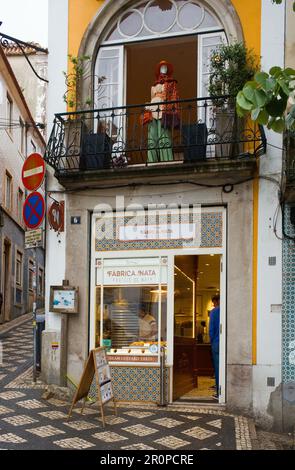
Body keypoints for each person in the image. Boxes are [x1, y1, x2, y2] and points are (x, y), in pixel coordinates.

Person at [143, 60, 180, 163]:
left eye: (165, 68)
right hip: (152, 109)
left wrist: (171, 109)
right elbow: (151, 97)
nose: (163, 69)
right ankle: (152, 160)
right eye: (161, 67)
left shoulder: (171, 83)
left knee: (164, 134)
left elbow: (173, 97)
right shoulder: (153, 85)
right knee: (152, 134)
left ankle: (166, 159)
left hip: (164, 108)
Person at [209, 295, 220, 398]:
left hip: (216, 343)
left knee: (217, 368)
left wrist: (212, 341)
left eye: (214, 302)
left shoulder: (214, 312)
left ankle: (218, 391)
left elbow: (211, 330)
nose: (214, 305)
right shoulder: (226, 310)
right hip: (225, 343)